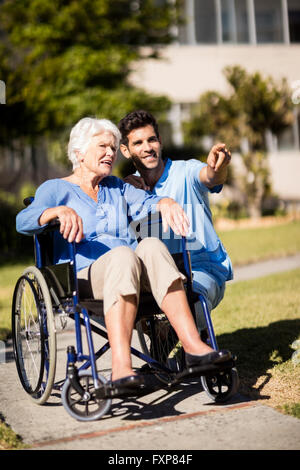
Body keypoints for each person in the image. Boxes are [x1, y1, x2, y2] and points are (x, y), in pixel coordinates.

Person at [16, 117, 230, 391]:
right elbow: (24, 221)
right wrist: (55, 211)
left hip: (131, 273)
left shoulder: (117, 188)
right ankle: (120, 368)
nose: (110, 153)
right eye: (103, 146)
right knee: (123, 255)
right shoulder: (55, 189)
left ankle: (194, 348)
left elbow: (150, 203)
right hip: (84, 278)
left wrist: (165, 202)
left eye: (114, 147)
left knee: (151, 247)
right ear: (79, 152)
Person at [118, 110, 233, 320]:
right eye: (138, 143)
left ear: (160, 141)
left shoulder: (186, 171)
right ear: (125, 150)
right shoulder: (127, 189)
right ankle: (164, 337)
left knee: (189, 302)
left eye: (152, 140)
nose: (147, 148)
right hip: (157, 277)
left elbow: (211, 176)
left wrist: (219, 166)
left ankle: (178, 338)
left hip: (201, 271)